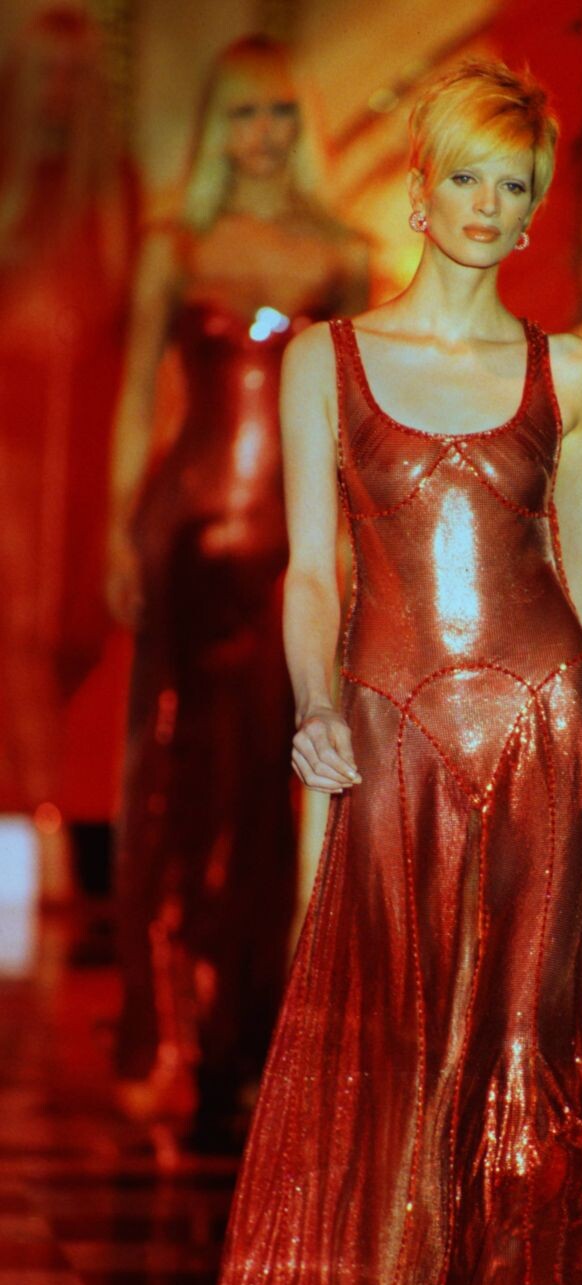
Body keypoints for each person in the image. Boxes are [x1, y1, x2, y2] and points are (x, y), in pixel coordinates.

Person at [191, 58, 582, 1285]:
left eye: (514, 185)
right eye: (466, 176)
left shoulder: (570, 372)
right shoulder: (327, 360)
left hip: (542, 730)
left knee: (521, 1056)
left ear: (535, 214)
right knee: (393, 1051)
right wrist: (313, 702)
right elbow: (311, 573)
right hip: (392, 735)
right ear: (417, 192)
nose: (488, 204)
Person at [106, 35, 369, 1134]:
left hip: (287, 546)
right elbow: (136, 395)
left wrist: (353, 546)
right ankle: (166, 1030)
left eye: (279, 114)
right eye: (244, 114)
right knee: (171, 772)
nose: (262, 135)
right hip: (185, 529)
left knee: (270, 781)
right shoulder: (177, 245)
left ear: (302, 126)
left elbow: (355, 419)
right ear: (218, 128)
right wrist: (119, 529)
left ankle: (247, 1033)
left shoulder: (344, 254)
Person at [0, 7, 138, 891]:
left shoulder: (114, 196)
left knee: (75, 643)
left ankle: (58, 833)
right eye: (45, 71)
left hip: (85, 465)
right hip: (7, 462)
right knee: (14, 637)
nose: (58, 92)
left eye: (74, 74)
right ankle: (30, 832)